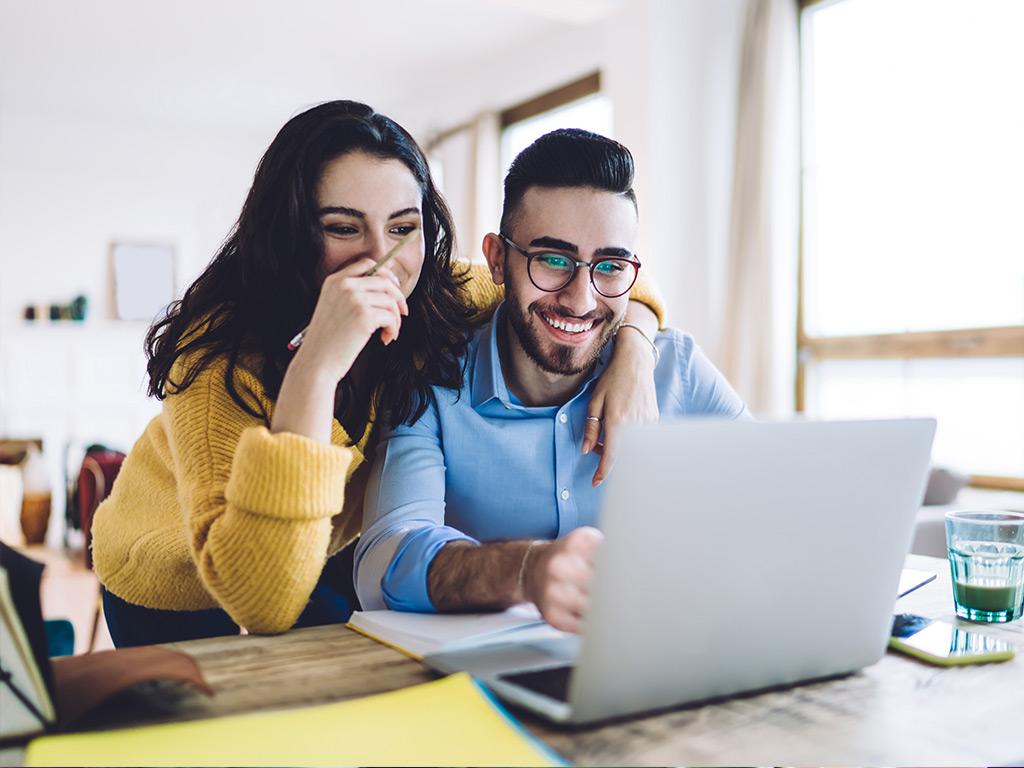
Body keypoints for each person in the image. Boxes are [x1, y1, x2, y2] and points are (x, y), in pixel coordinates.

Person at [91, 102, 665, 647]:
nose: (379, 260)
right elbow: (260, 599)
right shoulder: (216, 355)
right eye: (343, 228)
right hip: (176, 568)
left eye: (402, 227)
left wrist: (635, 353)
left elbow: (594, 279)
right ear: (290, 231)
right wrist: (317, 363)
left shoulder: (439, 292)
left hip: (318, 546)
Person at [354, 128, 751, 633]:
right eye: (553, 260)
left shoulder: (677, 371)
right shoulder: (431, 382)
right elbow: (383, 560)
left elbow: (782, 503)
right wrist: (524, 570)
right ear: (497, 260)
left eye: (608, 266)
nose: (581, 299)